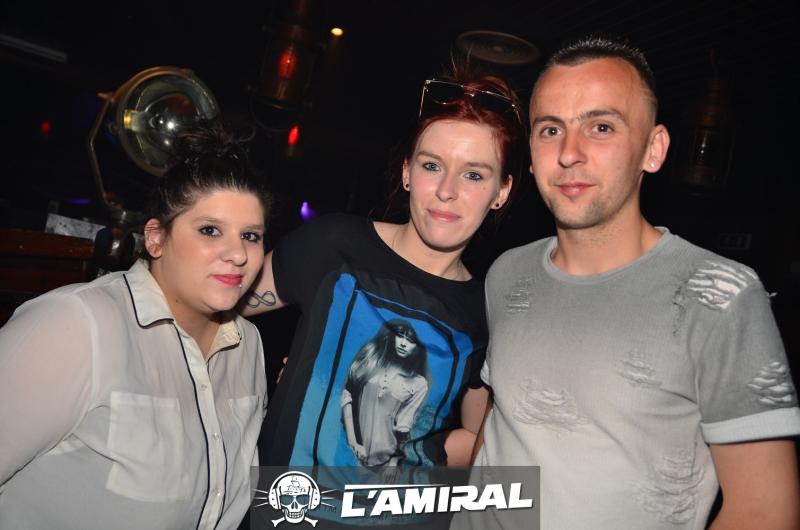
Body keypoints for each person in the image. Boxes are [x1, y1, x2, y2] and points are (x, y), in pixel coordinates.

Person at [464, 35, 800, 529]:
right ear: (531, 154)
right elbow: (500, 425)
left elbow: (765, 513)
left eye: (601, 127)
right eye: (550, 129)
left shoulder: (719, 294)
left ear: (653, 149)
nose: (569, 153)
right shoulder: (506, 272)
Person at [243, 67, 527, 472]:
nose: (446, 191)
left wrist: (411, 441)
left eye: (473, 175)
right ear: (407, 171)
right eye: (432, 166)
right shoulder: (333, 246)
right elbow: (209, 309)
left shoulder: (485, 313)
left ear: (501, 191)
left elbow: (480, 438)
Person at [0, 121, 271, 530]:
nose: (238, 253)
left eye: (251, 235)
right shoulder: (77, 325)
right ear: (156, 238)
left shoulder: (248, 346)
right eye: (210, 230)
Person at [342, 319, 430, 467]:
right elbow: (347, 395)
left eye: (411, 340)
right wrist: (353, 442)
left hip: (385, 461)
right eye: (400, 335)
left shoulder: (419, 383)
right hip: (350, 451)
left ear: (418, 347)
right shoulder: (370, 360)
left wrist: (394, 461)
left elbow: (403, 426)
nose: (403, 344)